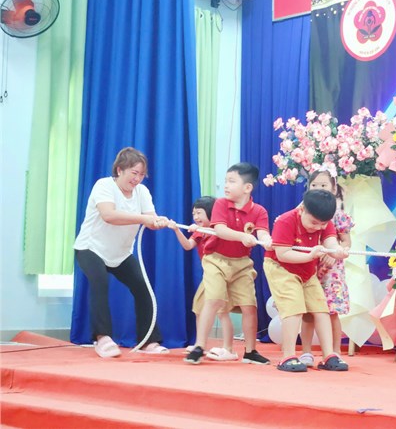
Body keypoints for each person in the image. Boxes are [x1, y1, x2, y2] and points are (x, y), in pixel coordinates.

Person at [74, 147, 170, 358]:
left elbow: (150, 218)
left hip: (120, 253)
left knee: (143, 288)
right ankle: (103, 338)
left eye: (141, 174)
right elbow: (109, 215)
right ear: (119, 170)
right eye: (134, 173)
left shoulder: (142, 192)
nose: (138, 178)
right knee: (100, 282)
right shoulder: (104, 186)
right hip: (91, 248)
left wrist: (158, 221)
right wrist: (144, 218)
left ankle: (148, 341)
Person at [185, 163, 272, 365]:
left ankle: (250, 351)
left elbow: (262, 232)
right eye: (225, 181)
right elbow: (220, 230)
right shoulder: (221, 204)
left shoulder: (259, 211)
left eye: (231, 181)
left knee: (250, 306)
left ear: (247, 187)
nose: (226, 185)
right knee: (213, 300)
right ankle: (199, 346)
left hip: (242, 264)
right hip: (216, 260)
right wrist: (242, 236)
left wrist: (266, 239)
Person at [263, 189, 350, 373]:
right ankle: (288, 356)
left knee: (321, 309)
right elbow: (283, 254)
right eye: (314, 223)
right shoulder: (285, 221)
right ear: (302, 209)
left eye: (322, 224)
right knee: (294, 308)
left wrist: (338, 252)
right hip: (281, 268)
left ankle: (329, 356)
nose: (317, 228)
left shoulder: (324, 223)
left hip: (307, 270)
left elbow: (331, 243)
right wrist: (310, 256)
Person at [168, 196, 238, 361]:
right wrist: (176, 230)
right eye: (194, 213)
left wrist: (203, 229)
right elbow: (187, 246)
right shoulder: (199, 231)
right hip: (208, 276)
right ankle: (200, 344)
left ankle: (228, 348)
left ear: (211, 212)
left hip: (221, 275)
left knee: (222, 312)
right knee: (199, 308)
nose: (196, 217)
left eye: (199, 213)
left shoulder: (220, 229)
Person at [299, 170, 353, 368]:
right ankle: (306, 353)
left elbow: (346, 242)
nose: (319, 188)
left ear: (334, 188)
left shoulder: (338, 215)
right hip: (309, 265)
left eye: (324, 185)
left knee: (331, 312)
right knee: (307, 311)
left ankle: (334, 352)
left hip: (331, 270)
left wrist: (333, 253)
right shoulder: (302, 210)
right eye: (314, 185)